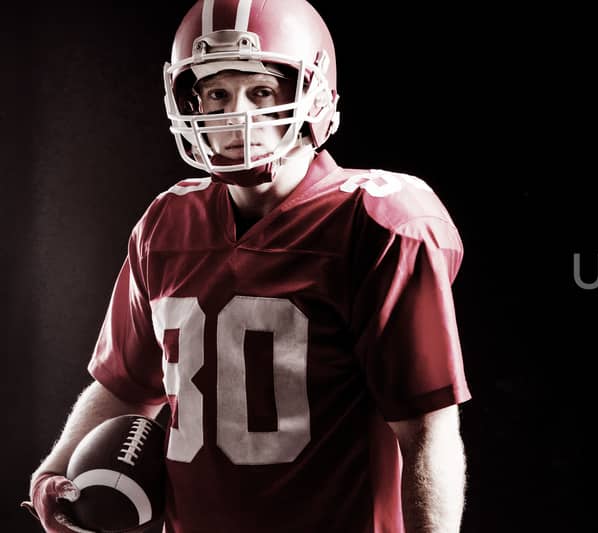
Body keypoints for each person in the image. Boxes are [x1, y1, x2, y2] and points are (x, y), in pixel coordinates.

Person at [23, 1, 470, 531]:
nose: (238, 116)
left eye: (261, 91)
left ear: (313, 95)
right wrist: (55, 467)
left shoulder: (376, 224)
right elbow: (125, 385)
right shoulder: (167, 224)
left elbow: (426, 433)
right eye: (217, 93)